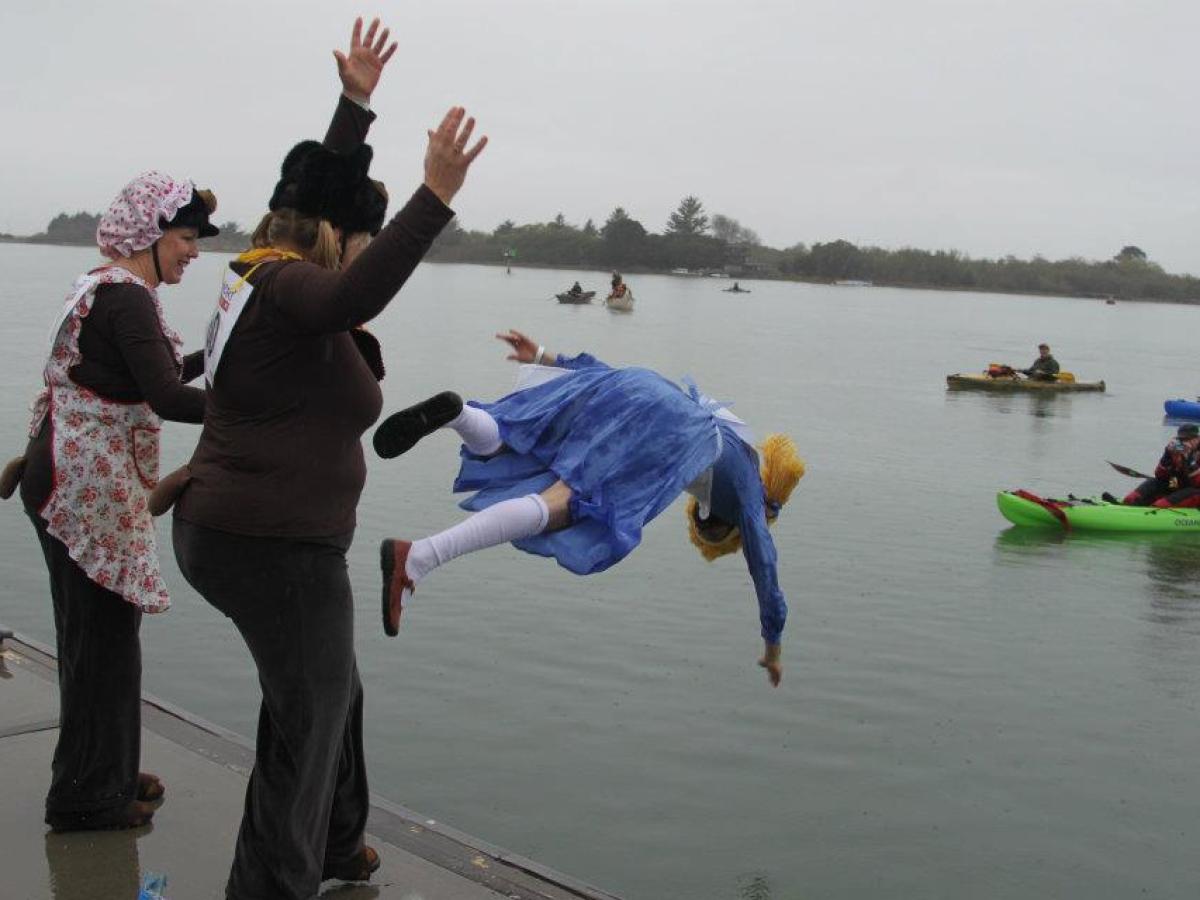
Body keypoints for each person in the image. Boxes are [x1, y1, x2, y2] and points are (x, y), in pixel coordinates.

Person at [159, 18, 486, 899]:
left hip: (243, 532)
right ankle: (274, 885)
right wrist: (435, 197)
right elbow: (351, 283)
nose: (365, 249)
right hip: (272, 548)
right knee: (308, 722)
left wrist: (354, 105)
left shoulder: (257, 271)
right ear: (335, 237)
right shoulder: (294, 285)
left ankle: (339, 843)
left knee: (330, 697)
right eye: (361, 236)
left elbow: (316, 191)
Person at [373, 329, 804, 687]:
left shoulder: (735, 436)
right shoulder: (753, 492)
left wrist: (545, 354)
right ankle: (420, 557)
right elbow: (765, 566)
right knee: (567, 505)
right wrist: (773, 646)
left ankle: (458, 415)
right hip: (673, 427)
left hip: (638, 383)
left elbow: (607, 372)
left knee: (525, 442)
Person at [6, 171, 218, 832]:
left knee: (93, 634)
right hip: (80, 485)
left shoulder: (102, 288)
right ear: (150, 234)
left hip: (63, 474)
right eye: (186, 237)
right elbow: (166, 396)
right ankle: (85, 798)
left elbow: (147, 374)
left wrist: (225, 352)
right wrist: (265, 407)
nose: (193, 252)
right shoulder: (127, 300)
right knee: (103, 641)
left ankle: (107, 769)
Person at [1121, 424, 1200, 507]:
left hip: (1195, 490)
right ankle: (1130, 504)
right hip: (1176, 484)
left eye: (1188, 439)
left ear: (1197, 439)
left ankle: (1157, 509)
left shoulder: (1191, 453)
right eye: (1182, 439)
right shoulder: (1177, 450)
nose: (1185, 443)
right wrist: (1167, 457)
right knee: (1136, 495)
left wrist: (1189, 460)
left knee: (1161, 504)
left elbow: (1197, 483)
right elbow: (1160, 475)